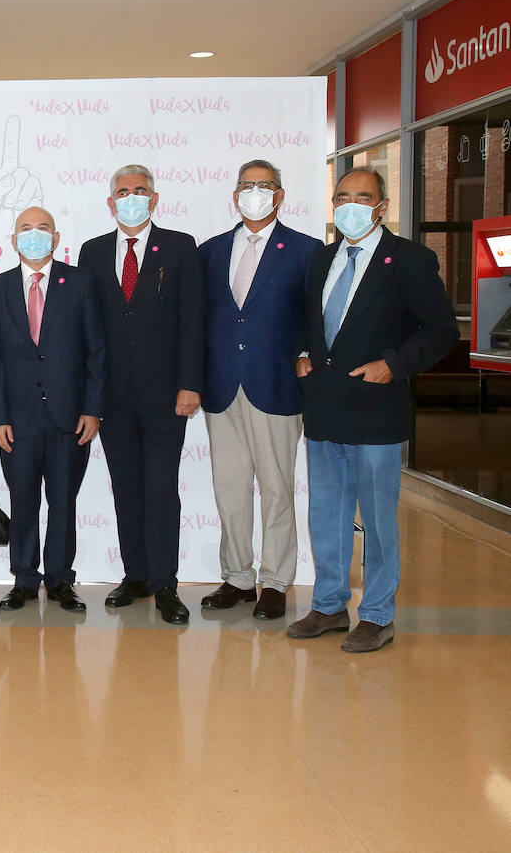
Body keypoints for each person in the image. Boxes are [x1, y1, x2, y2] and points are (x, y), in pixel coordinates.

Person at [286, 166, 457, 652]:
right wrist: (301, 354)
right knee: (327, 515)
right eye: (342, 197)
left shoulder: (409, 260)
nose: (350, 205)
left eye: (362, 197)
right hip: (323, 409)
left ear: (381, 206)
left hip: (376, 413)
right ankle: (329, 606)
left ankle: (378, 615)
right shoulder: (321, 261)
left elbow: (441, 329)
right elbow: (310, 323)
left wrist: (393, 364)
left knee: (378, 522)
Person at [198, 160, 322, 620]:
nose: (254, 193)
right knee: (229, 489)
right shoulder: (209, 252)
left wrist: (307, 352)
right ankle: (237, 577)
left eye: (263, 186)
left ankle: (274, 582)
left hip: (277, 385)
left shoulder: (306, 251)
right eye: (246, 185)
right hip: (222, 387)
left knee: (276, 488)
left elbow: (318, 316)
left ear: (280, 194)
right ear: (234, 195)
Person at [80, 165, 204, 625]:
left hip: (166, 396)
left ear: (154, 198)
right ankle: (136, 575)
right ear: (110, 203)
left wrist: (190, 383)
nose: (130, 198)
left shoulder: (178, 246)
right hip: (112, 398)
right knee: (126, 488)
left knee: (161, 489)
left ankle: (165, 582)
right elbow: (88, 329)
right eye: (121, 192)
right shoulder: (91, 252)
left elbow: (193, 320)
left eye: (139, 191)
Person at [0, 207, 106, 612]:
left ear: (55, 239)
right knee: (23, 501)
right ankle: (23, 578)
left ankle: (59, 580)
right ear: (14, 240)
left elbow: (96, 353)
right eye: (25, 229)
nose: (34, 236)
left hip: (70, 418)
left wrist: (93, 409)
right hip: (16, 420)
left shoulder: (80, 284)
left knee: (64, 500)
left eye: (43, 229)